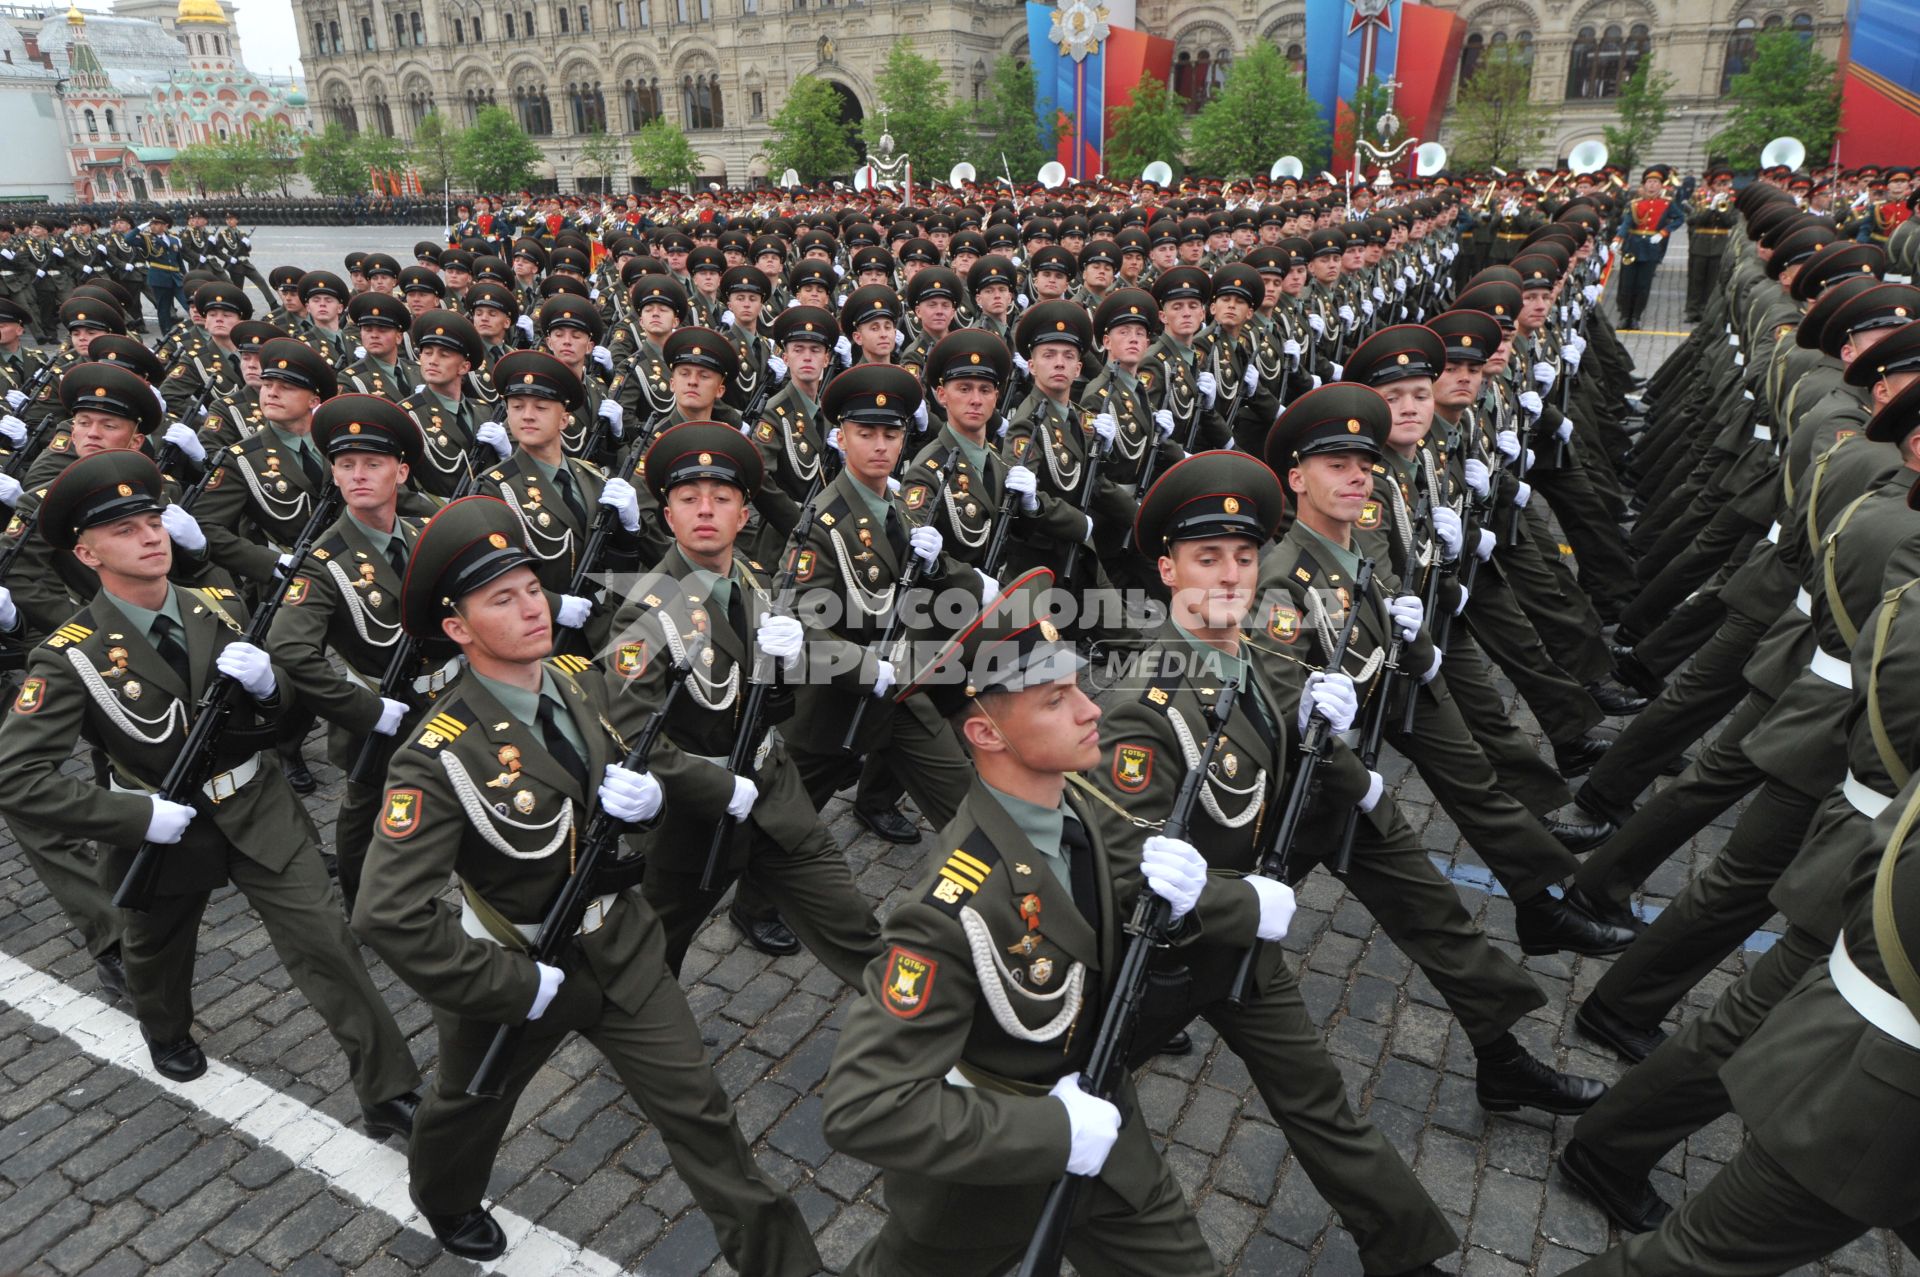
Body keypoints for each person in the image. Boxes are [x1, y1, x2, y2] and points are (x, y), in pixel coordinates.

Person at [350, 494, 820, 1271]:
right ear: (459, 629)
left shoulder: (576, 685)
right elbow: (386, 912)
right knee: (467, 1106)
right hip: (518, 958)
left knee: (699, 1110)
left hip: (621, 938)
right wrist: (511, 984)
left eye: (532, 587)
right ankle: (446, 1198)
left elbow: (640, 759)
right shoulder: (437, 753)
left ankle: (784, 1263)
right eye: (501, 599)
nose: (532, 606)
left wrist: (659, 795)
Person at [1088, 447, 1459, 1276]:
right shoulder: (1141, 704)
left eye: (1246, 556)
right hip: (1152, 962)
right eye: (1206, 557)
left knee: (1317, 1095)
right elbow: (1125, 870)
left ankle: (1405, 1250)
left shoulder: (1262, 656)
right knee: (1074, 1102)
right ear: (1166, 567)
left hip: (1240, 947)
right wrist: (1245, 905)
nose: (1230, 575)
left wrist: (1325, 730)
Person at [820, 567, 1230, 1277]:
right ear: (984, 730)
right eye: (1055, 700)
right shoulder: (949, 908)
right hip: (983, 1194)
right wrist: (1052, 1131)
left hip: (1111, 1138)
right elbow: (864, 1107)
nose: (1090, 709)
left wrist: (1181, 902)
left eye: (1077, 685)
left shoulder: (1079, 806)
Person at [0, 447, 422, 1131]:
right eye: (125, 529)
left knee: (327, 945)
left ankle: (387, 1088)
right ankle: (165, 1030)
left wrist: (268, 684)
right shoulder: (70, 653)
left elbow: (283, 712)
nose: (149, 536)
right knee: (157, 955)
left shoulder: (218, 605)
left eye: (152, 520)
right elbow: (17, 778)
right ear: (86, 552)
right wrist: (133, 815)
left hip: (259, 807)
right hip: (165, 827)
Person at [606, 419, 884, 982]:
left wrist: (871, 668)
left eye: (721, 498)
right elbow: (632, 736)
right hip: (693, 815)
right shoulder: (646, 611)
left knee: (855, 928)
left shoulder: (753, 580)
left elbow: (801, 644)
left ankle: (917, 1030)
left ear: (743, 515)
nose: (705, 509)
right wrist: (717, 788)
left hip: (774, 790)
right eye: (688, 498)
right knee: (652, 962)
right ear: (669, 517)